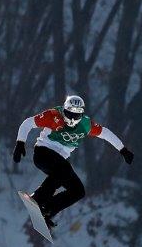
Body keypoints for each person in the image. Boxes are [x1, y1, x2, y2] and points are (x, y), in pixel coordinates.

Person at [12, 95, 133, 229]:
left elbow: (105, 133)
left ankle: (48, 211)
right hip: (43, 154)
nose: (72, 119)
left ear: (81, 115)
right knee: (62, 169)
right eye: (69, 114)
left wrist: (123, 150)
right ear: (64, 111)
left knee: (78, 191)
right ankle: (38, 199)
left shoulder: (85, 124)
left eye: (76, 116)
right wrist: (20, 142)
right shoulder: (53, 115)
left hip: (59, 162)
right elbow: (27, 123)